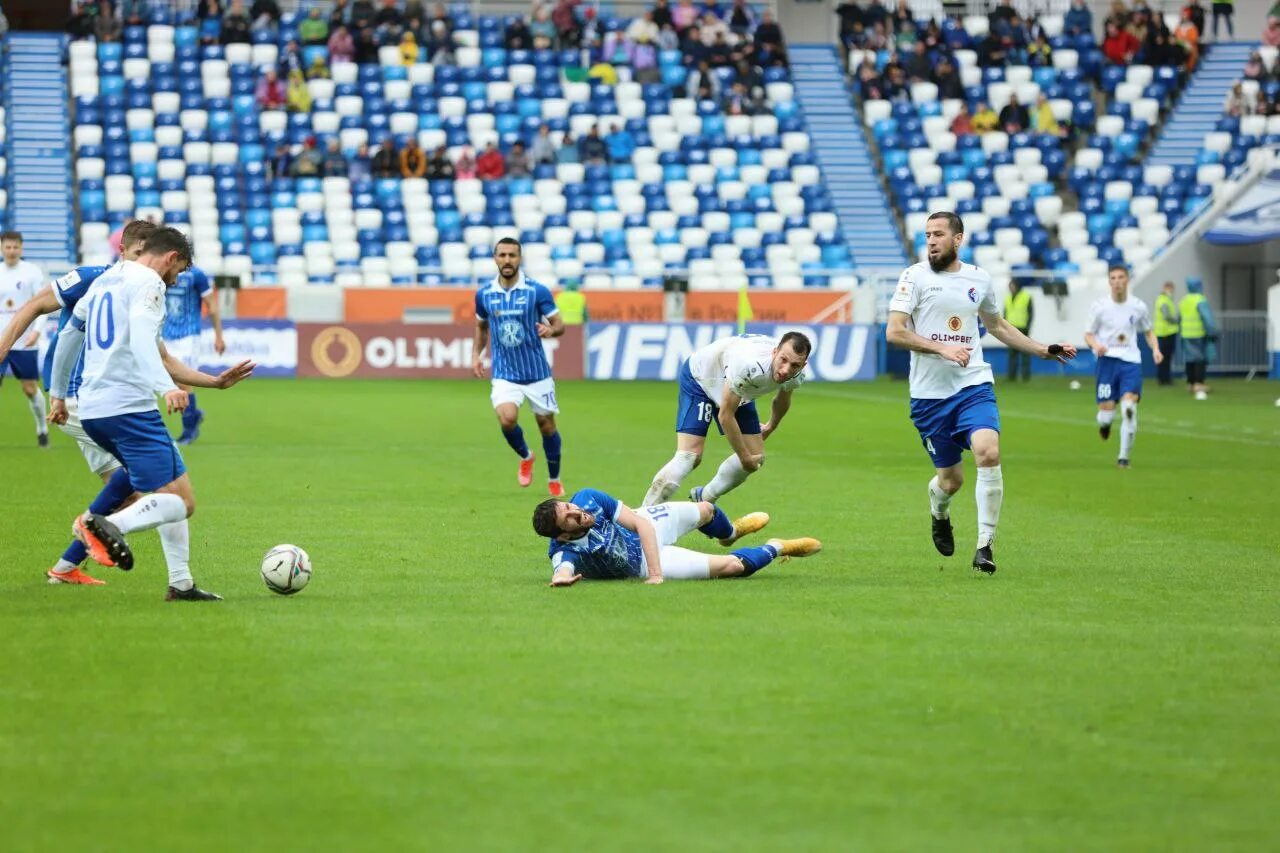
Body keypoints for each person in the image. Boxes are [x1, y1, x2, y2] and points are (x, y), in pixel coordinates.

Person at [48, 227, 254, 599]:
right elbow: (144, 340)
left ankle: (181, 583)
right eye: (179, 271)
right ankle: (101, 526)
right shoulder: (149, 284)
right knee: (182, 503)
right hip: (128, 408)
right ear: (171, 258)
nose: (175, 281)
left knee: (168, 486)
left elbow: (68, 337)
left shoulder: (106, 281)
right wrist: (167, 388)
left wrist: (59, 395)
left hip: (94, 409)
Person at [884, 211, 1076, 573]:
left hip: (973, 385)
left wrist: (1041, 349)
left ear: (958, 239)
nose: (931, 241)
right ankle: (938, 512)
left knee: (988, 452)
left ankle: (985, 546)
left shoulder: (979, 279)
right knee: (951, 481)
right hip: (929, 397)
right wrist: (942, 349)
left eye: (938, 234)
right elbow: (894, 332)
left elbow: (997, 324)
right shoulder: (913, 277)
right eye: (927, 235)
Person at [641, 332, 811, 508]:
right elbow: (725, 415)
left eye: (794, 365)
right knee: (689, 457)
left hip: (738, 388)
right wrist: (743, 457)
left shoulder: (797, 374)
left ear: (803, 365)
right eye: (783, 360)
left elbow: (782, 399)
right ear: (774, 352)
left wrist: (771, 426)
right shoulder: (749, 364)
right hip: (702, 378)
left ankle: (705, 498)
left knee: (756, 458)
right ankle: (640, 519)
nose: (786, 370)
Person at [533, 488, 820, 586]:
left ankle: (730, 533)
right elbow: (562, 569)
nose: (576, 512)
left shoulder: (588, 498)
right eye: (569, 518)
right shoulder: (563, 551)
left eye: (569, 506)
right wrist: (560, 578)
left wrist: (657, 576)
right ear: (562, 535)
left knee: (706, 509)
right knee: (733, 568)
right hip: (642, 563)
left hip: (646, 528)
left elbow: (641, 524)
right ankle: (778, 546)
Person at [471, 238, 567, 495]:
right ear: (495, 258)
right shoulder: (484, 294)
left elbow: (560, 324)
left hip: (537, 373)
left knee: (546, 426)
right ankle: (526, 456)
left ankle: (554, 477)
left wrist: (550, 329)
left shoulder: (537, 291)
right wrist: (475, 355)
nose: (507, 260)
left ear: (519, 258)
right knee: (507, 418)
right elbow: (481, 327)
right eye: (502, 255)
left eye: (512, 255)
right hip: (504, 374)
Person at [1084, 265, 1160, 468]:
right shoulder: (1099, 306)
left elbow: (1148, 331)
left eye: (1121, 277)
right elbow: (1088, 334)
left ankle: (1123, 458)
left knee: (1129, 407)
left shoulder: (1138, 306)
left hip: (1131, 361)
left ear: (1127, 280)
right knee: (1106, 414)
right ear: (1109, 282)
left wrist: (1155, 349)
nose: (1117, 281)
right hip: (1107, 361)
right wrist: (1096, 345)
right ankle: (1105, 425)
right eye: (1113, 278)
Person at [163, 264, 226, 444]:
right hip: (166, 334)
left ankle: (189, 431)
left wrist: (218, 336)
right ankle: (194, 414)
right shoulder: (163, 271)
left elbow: (212, 305)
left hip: (189, 335)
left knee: (184, 381)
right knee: (171, 380)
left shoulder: (197, 274)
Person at [0, 231, 53, 446]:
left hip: (24, 340)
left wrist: (36, 331)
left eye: (15, 247)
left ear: (21, 248)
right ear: (2, 248)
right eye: (7, 247)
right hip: (1, 340)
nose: (11, 251)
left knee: (29, 388)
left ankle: (42, 428)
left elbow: (44, 303)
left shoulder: (32, 272)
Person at [1179, 276, 1214, 399]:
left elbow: (1179, 317)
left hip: (1185, 334)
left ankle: (1190, 383)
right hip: (1198, 333)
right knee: (1199, 358)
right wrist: (1212, 331)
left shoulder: (1183, 300)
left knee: (1189, 359)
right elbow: (1207, 318)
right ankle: (1199, 383)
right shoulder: (1200, 300)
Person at [1004, 280, 1034, 380]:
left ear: (1017, 286)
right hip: (1011, 329)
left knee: (1025, 354)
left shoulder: (1026, 297)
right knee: (1012, 355)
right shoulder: (1007, 298)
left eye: (1011, 286)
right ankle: (1011, 377)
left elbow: (1030, 314)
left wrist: (1028, 328)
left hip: (1023, 329)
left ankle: (1025, 377)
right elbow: (1005, 314)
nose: (1010, 288)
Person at [1153, 280, 1179, 385]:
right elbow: (1167, 316)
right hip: (1166, 333)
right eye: (1170, 288)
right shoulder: (1164, 300)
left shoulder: (1164, 299)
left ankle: (1164, 378)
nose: (1172, 291)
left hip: (1163, 332)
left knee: (1165, 357)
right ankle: (1164, 379)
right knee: (1165, 357)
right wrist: (1177, 321)